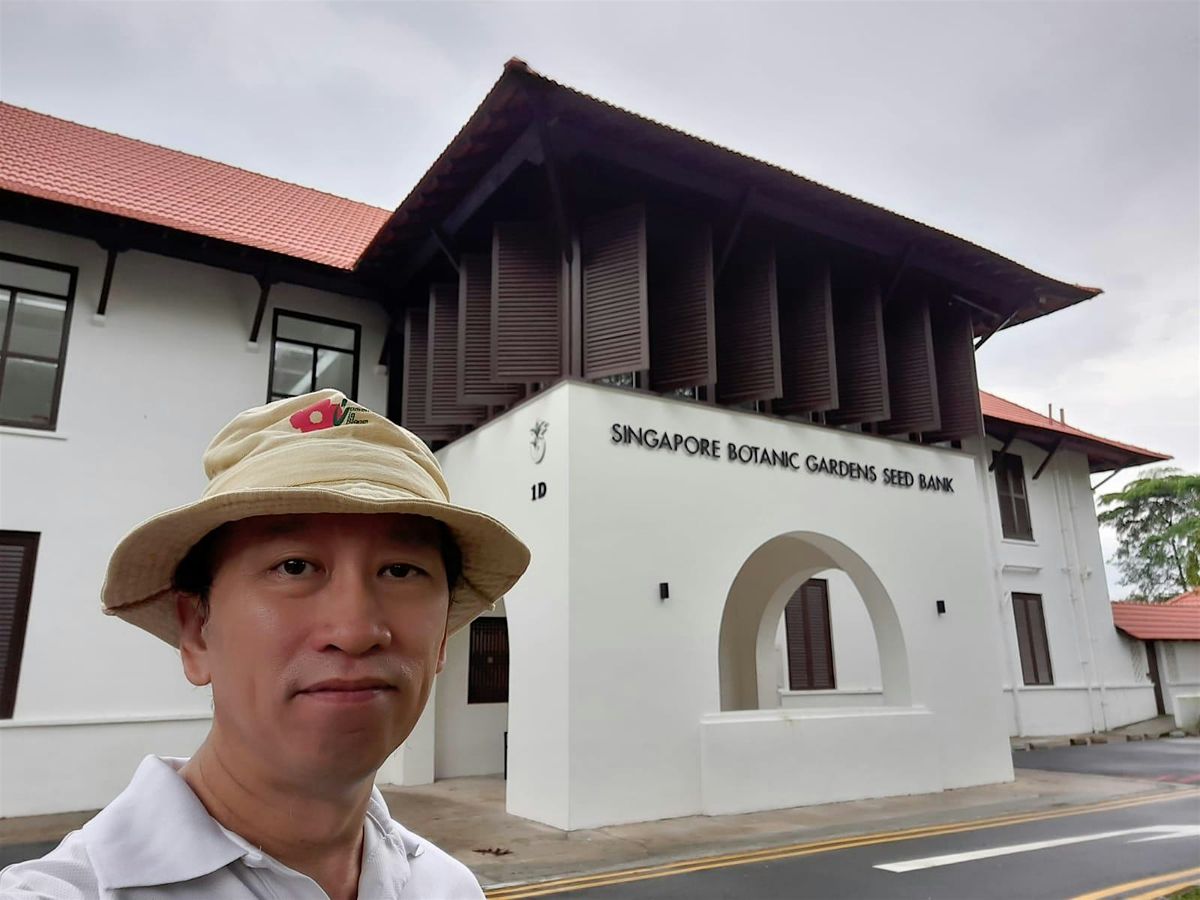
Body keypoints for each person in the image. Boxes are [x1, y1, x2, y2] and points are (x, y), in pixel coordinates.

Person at [0, 390, 530, 900]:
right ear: (195, 631)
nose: (355, 631)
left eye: (400, 570)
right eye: (294, 566)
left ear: (441, 641)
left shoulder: (447, 888)